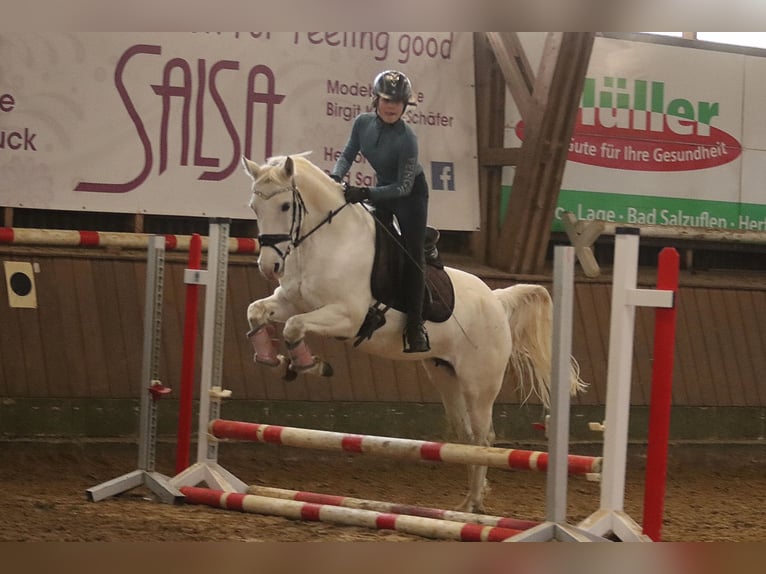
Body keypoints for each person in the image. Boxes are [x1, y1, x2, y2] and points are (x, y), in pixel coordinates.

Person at [330, 70, 430, 353]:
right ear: (376, 99)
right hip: (383, 188)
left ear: (404, 106)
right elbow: (348, 153)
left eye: (397, 102)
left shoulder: (407, 139)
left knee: (412, 256)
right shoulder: (362, 123)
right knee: (368, 242)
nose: (391, 106)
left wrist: (366, 193)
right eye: (387, 99)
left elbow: (403, 186)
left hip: (410, 196)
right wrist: (336, 177)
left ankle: (415, 326)